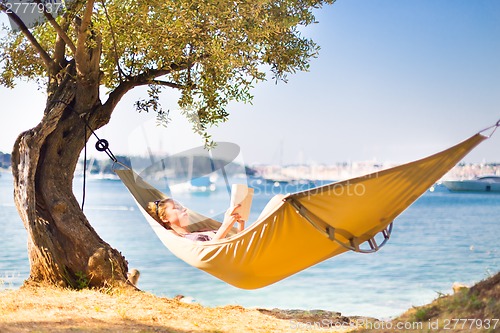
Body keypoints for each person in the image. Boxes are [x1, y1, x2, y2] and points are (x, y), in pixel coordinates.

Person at [146, 198, 245, 241]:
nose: (184, 209)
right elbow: (211, 252)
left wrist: (240, 223)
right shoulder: (180, 239)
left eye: (182, 206)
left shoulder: (201, 230)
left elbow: (237, 244)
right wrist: (226, 225)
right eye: (177, 208)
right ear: (164, 218)